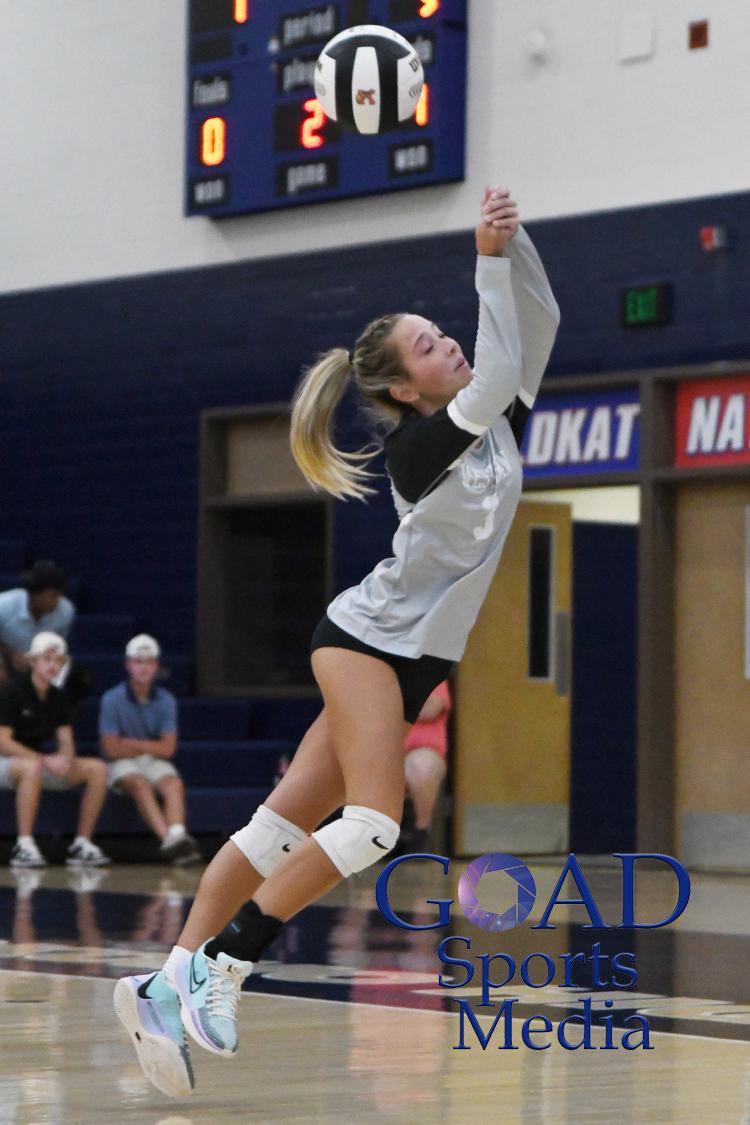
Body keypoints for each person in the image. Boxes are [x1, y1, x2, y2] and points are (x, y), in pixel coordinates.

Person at [114, 185, 560, 1097]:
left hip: (408, 658)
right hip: (365, 642)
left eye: (445, 332)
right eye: (431, 344)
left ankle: (165, 982)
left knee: (277, 825)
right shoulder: (419, 448)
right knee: (372, 824)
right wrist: (480, 260)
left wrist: (513, 250)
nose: (450, 343)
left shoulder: (498, 422)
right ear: (405, 387)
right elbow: (500, 367)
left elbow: (535, 328)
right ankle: (224, 970)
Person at [0, 632, 110, 868]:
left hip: (37, 762)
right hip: (6, 761)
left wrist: (65, 761)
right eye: (47, 659)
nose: (52, 665)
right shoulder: (12, 690)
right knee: (33, 767)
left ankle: (82, 843)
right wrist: (46, 760)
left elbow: (66, 740)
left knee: (97, 768)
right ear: (33, 661)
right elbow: (3, 741)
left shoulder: (59, 697)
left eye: (58, 660)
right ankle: (24, 845)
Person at [99, 634, 201, 866]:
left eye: (148, 662)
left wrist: (130, 743)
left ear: (156, 665)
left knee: (173, 783)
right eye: (138, 661)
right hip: (122, 763)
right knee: (139, 784)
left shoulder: (166, 700)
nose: (143, 668)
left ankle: (177, 834)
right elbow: (110, 749)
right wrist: (147, 746)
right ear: (128, 665)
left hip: (149, 759)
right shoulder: (112, 699)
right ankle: (169, 842)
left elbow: (168, 749)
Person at [396, 679, 452, 855]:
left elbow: (431, 708)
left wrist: (388, 706)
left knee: (421, 766)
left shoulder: (431, 673)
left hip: (422, 750)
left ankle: (419, 833)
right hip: (381, 752)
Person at [0, 561, 75, 682]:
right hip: (6, 656)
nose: (58, 601)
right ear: (34, 594)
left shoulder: (66, 610)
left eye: (59, 595)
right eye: (53, 595)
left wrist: (38, 659)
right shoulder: (3, 605)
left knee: (74, 672)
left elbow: (59, 644)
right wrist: (10, 653)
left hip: (41, 658)